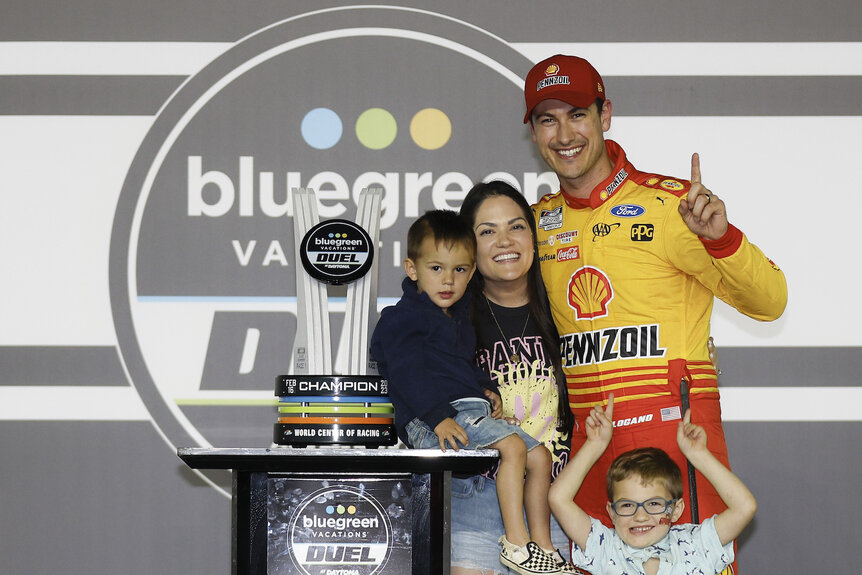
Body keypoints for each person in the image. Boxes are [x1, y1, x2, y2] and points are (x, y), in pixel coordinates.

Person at [524, 54, 787, 572]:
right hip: (590, 435)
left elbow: (770, 301)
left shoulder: (672, 207)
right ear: (533, 132)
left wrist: (721, 238)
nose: (563, 134)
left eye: (577, 114)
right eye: (546, 119)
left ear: (605, 115)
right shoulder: (535, 224)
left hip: (675, 429)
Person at [370, 209, 562, 575]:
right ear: (412, 269)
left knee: (540, 458)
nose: (448, 279)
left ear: (472, 272)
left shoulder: (457, 319)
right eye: (436, 268)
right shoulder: (401, 318)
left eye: (459, 270)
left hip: (466, 410)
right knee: (513, 447)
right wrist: (437, 418)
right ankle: (517, 544)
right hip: (432, 420)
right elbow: (405, 375)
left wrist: (486, 389)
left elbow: (462, 368)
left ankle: (543, 545)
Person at [452, 181, 581, 575]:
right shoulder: (451, 322)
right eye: (486, 231)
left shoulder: (568, 308)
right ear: (468, 248)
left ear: (534, 236)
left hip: (554, 513)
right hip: (475, 503)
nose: (504, 240)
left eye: (516, 226)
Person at [549, 394, 757, 575]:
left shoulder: (696, 545)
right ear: (612, 513)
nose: (640, 516)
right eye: (627, 505)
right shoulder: (606, 548)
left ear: (676, 510)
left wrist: (700, 455)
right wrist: (594, 445)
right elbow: (558, 499)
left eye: (655, 504)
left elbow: (744, 507)